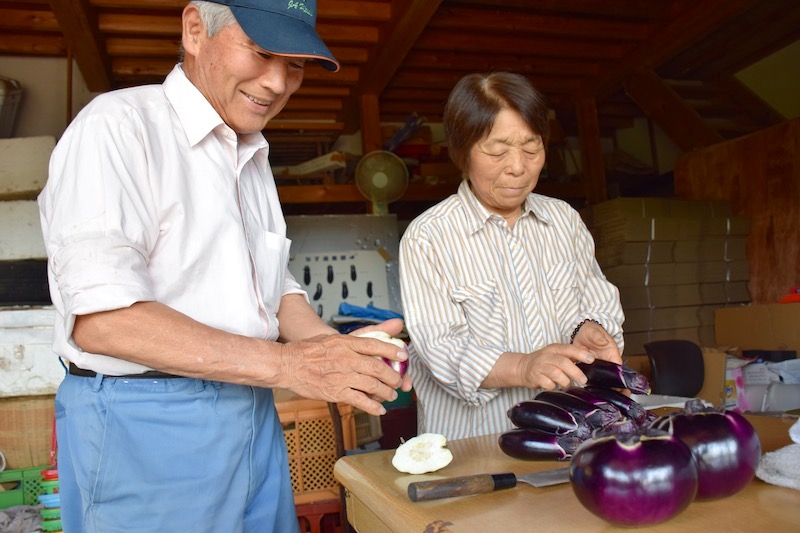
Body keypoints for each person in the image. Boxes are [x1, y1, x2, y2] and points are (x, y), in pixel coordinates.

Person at [37, 1, 410, 532]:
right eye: (260, 52)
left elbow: (271, 285)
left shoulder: (250, 153)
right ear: (194, 30)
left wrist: (330, 349)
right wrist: (289, 367)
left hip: (251, 405)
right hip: (144, 419)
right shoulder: (119, 126)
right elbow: (103, 319)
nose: (278, 82)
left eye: (297, 64)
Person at [399, 72, 624, 440]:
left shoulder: (564, 221)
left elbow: (596, 299)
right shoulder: (429, 237)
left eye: (531, 148)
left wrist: (591, 329)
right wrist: (524, 367)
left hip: (569, 436)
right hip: (475, 448)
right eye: (498, 150)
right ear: (461, 151)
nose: (518, 167)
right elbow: (440, 348)